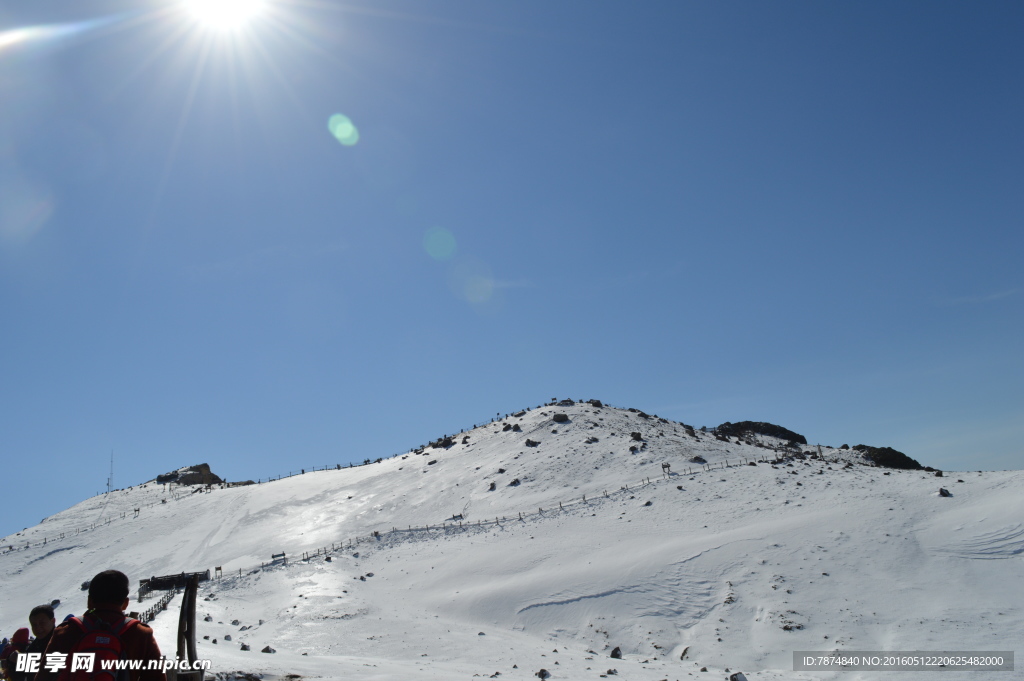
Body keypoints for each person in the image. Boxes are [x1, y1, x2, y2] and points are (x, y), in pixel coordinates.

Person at [35, 570, 165, 681]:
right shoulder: (140, 634)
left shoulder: (66, 631)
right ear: (125, 603)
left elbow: (43, 677)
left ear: (89, 601)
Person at [9, 607, 55, 681]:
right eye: (34, 625)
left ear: (53, 621)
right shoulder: (34, 645)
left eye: (42, 623)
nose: (38, 627)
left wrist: (23, 661)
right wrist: (12, 663)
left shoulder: (61, 639)